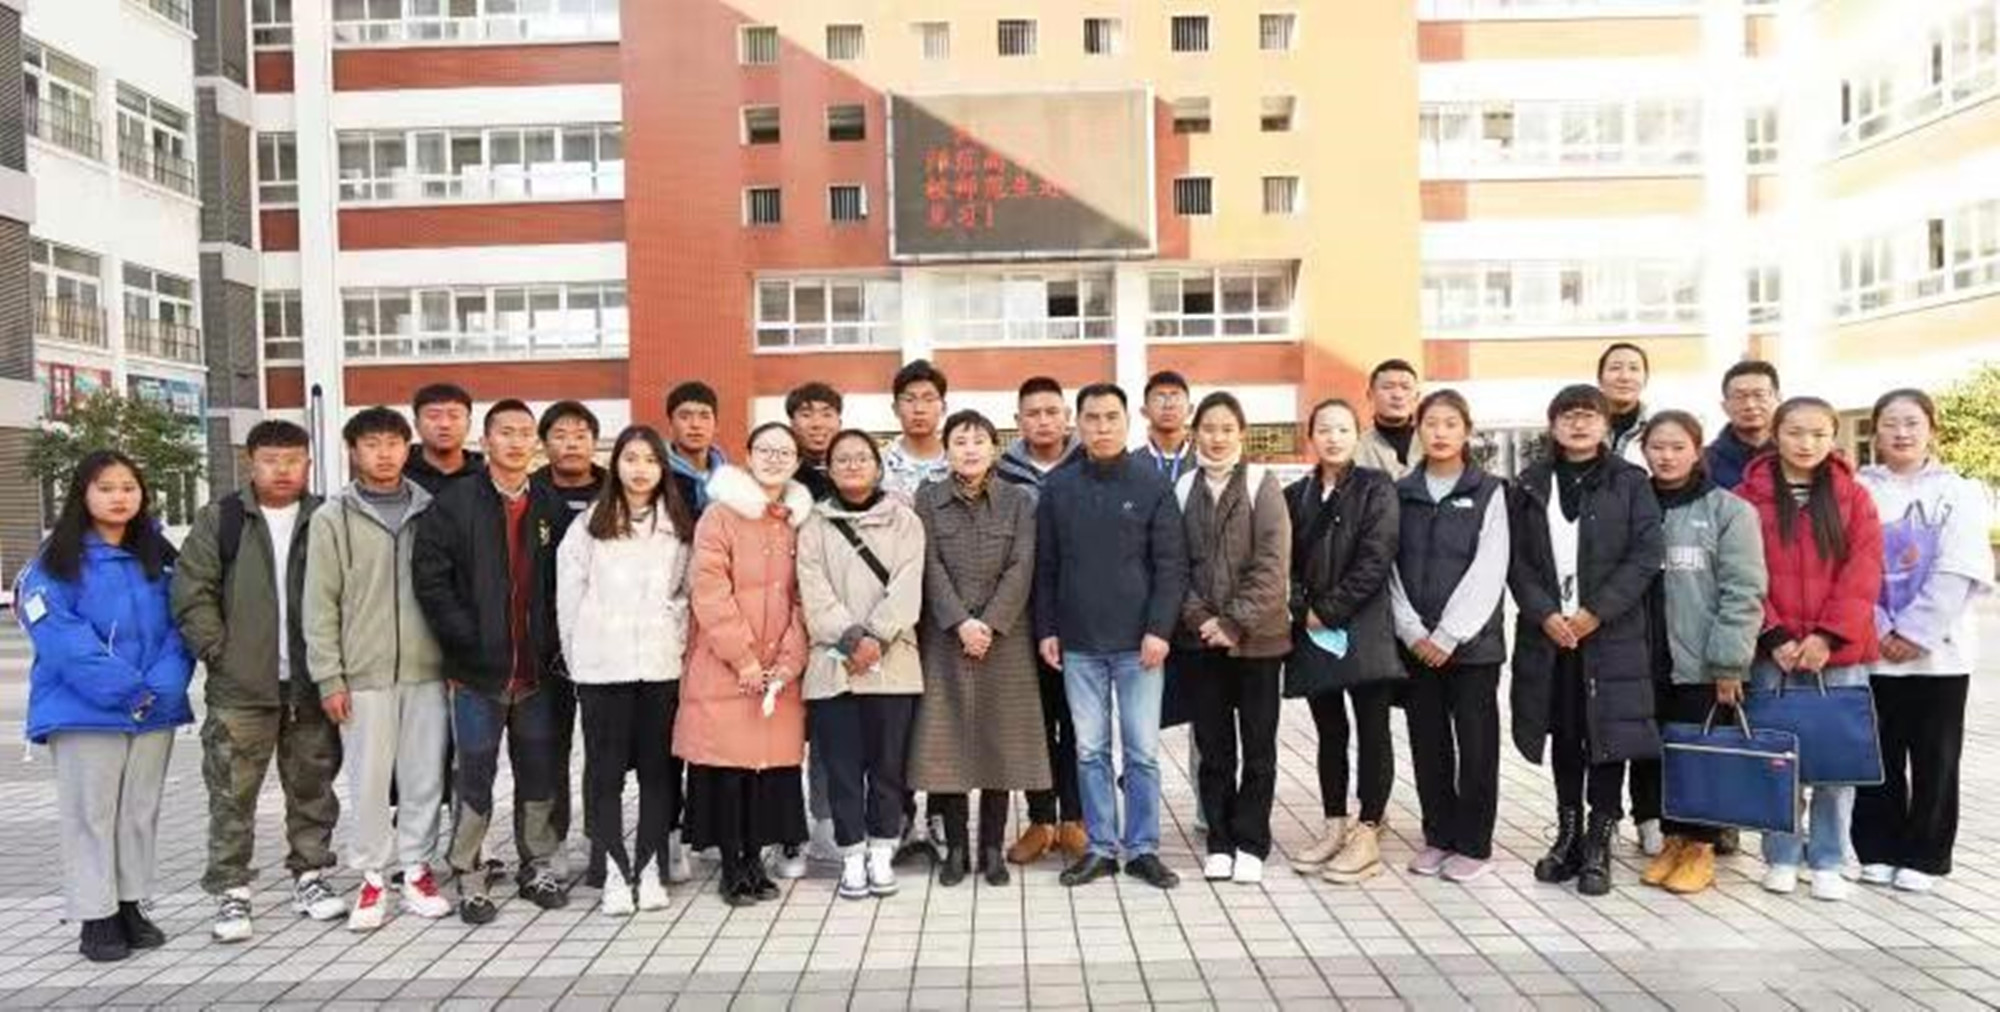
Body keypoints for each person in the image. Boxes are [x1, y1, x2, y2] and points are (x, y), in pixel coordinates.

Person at [172, 421, 343, 942]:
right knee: (232, 793)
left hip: (310, 684)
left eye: (293, 459)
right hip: (241, 688)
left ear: (308, 463)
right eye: (271, 460)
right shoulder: (221, 519)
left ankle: (310, 876)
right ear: (251, 462)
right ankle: (231, 891)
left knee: (313, 786)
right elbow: (192, 592)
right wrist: (218, 653)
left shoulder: (327, 517)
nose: (282, 469)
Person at [18, 450, 193, 962]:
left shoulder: (161, 557)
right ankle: (96, 914)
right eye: (106, 488)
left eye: (128, 487)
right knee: (90, 814)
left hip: (154, 709)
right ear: (83, 495)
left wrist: (163, 685)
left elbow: (183, 625)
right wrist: (125, 688)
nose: (119, 497)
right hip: (84, 711)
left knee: (138, 812)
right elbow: (60, 636)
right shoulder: (54, 563)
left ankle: (130, 904)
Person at [413, 399, 574, 923]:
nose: (516, 441)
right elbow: (431, 581)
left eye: (525, 432)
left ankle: (537, 863)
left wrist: (556, 645)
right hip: (476, 674)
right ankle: (469, 871)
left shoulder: (548, 504)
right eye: (506, 432)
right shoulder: (456, 503)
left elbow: (567, 582)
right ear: (485, 441)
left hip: (538, 673)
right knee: (474, 774)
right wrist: (467, 640)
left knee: (539, 771)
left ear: (535, 444)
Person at [1509, 385, 1665, 898]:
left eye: (1589, 416)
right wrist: (1544, 613)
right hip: (1550, 635)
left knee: (1607, 735)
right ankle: (1568, 835)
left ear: (1605, 424)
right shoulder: (1530, 483)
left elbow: (1646, 554)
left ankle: (1599, 840)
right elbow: (1516, 560)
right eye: (1568, 416)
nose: (1579, 424)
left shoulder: (1630, 482)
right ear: (1552, 425)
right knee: (1565, 732)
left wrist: (1596, 612)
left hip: (1610, 634)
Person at [303, 407, 453, 932]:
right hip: (363, 674)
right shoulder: (333, 517)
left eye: (392, 443)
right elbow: (319, 604)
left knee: (423, 776)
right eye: (372, 444)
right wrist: (330, 676)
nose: (384, 453)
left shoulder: (431, 509)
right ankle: (371, 876)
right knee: (367, 779)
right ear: (353, 451)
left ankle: (416, 871)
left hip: (427, 670)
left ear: (406, 449)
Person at [1036, 382, 1188, 890]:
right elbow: (1047, 566)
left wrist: (1160, 629)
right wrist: (1047, 628)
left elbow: (1171, 566)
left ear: (1128, 421)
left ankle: (1143, 848)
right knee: (1090, 751)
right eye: (1092, 418)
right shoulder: (1059, 487)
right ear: (1077, 423)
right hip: (1078, 644)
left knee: (1142, 751)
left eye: (1111, 418)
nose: (1102, 427)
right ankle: (1100, 847)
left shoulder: (1151, 484)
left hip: (1140, 645)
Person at [1736, 396, 1885, 901]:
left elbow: (1865, 571)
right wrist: (1774, 635)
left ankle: (1827, 858)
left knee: (1835, 760)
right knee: (1775, 758)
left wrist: (1827, 636)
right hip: (1771, 652)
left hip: (1838, 653)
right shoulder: (1745, 497)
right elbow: (1738, 574)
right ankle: (1781, 855)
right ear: (1775, 434)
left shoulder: (1855, 496)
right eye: (1795, 432)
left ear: (1833, 437)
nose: (1806, 443)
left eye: (1819, 434)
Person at [1855, 389, 1993, 893]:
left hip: (1941, 655)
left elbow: (1960, 566)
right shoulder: (1857, 490)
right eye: (1890, 423)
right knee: (1877, 754)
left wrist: (1915, 631)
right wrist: (1878, 627)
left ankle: (1926, 856)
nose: (1901, 433)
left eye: (1912, 422)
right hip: (1872, 651)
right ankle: (1876, 847)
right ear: (1875, 431)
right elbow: (1848, 565)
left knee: (1936, 757)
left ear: (1932, 429)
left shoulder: (1960, 492)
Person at [557, 424, 698, 916]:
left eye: (651, 460)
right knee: (606, 774)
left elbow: (686, 594)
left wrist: (671, 637)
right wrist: (580, 658)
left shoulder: (677, 527)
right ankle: (615, 871)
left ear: (664, 469)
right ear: (615, 464)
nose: (640, 469)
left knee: (659, 773)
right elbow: (568, 599)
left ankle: (650, 868)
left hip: (659, 667)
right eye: (631, 458)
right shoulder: (588, 526)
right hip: (602, 669)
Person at [909, 410, 1051, 888]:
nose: (969, 449)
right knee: (947, 746)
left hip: (1003, 640)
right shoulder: (927, 500)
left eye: (978, 441)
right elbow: (928, 566)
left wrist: (988, 623)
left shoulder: (1018, 501)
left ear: (994, 448)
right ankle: (956, 850)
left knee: (999, 743)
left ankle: (991, 849)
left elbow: (1022, 565)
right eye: (959, 441)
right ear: (946, 450)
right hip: (946, 639)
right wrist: (960, 622)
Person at [677, 423, 813, 906]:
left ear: (797, 462)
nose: (774, 459)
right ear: (748, 456)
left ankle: (756, 857)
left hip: (780, 669)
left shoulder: (800, 520)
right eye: (765, 450)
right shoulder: (720, 516)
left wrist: (789, 659)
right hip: (726, 663)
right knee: (728, 770)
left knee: (767, 770)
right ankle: (732, 864)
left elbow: (807, 595)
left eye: (785, 452)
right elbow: (709, 589)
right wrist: (743, 657)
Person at [1634, 411, 1766, 895]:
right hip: (1641, 658)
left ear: (1697, 451)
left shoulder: (1728, 511)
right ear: (1644, 451)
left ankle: (1701, 848)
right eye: (1657, 447)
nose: (1667, 457)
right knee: (1656, 756)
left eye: (1678, 447)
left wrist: (1729, 662)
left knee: (1702, 755)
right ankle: (1672, 840)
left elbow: (1743, 591)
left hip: (1701, 662)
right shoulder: (1634, 504)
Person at [797, 430, 928, 899]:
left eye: (861, 458)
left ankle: (882, 852)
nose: (852, 465)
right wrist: (853, 639)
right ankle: (852, 855)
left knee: (889, 768)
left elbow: (909, 584)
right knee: (842, 768)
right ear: (829, 469)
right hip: (834, 666)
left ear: (878, 466)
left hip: (893, 664)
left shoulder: (905, 521)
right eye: (842, 459)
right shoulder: (813, 524)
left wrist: (877, 636)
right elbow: (812, 590)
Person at [1390, 390, 1510, 883]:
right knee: (1428, 742)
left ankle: (1474, 844)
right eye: (1431, 423)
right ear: (1418, 429)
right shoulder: (1401, 492)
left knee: (1476, 746)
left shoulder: (1490, 491)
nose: (1440, 433)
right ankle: (1438, 835)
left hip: (1473, 647)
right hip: (1416, 645)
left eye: (1450, 423)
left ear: (1467, 431)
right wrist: (1412, 630)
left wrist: (1449, 634)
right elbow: (1388, 566)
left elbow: (1491, 567)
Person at [1175, 392, 1292, 886]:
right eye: (1208, 428)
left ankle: (1252, 841)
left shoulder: (1263, 483)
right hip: (1202, 642)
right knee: (1214, 748)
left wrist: (1233, 622)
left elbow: (1273, 563)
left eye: (1227, 428)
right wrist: (1202, 618)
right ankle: (1219, 842)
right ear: (1194, 433)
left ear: (1241, 434)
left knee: (1259, 748)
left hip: (1260, 641)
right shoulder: (1183, 487)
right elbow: (1174, 563)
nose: (1217, 437)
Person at [1283, 399, 1401, 885]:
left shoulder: (1377, 488)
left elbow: (1376, 559)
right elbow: (1283, 561)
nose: (1333, 438)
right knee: (1329, 731)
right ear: (1311, 436)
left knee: (1373, 729)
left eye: (1343, 429)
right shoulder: (1295, 495)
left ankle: (1369, 830)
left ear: (1357, 435)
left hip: (1363, 627)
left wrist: (1327, 611)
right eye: (1324, 429)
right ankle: (1334, 825)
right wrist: (1300, 610)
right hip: (1313, 632)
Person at [995, 377, 1086, 867]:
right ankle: (1040, 818)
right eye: (1033, 413)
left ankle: (1075, 818)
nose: (1044, 421)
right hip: (1022, 621)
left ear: (1067, 417)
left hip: (1080, 619)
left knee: (1077, 723)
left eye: (1053, 412)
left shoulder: (1089, 463)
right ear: (1018, 421)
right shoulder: (1000, 473)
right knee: (1034, 723)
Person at [529, 399, 609, 886]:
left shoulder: (616, 491)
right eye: (560, 435)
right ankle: (551, 840)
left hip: (604, 645)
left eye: (580, 435)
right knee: (549, 747)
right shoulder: (529, 494)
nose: (571, 444)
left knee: (602, 748)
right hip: (545, 647)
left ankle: (600, 837)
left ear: (595, 442)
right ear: (545, 444)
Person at [786, 381, 845, 869]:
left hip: (835, 620)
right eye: (806, 413)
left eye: (826, 412)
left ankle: (826, 823)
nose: (817, 422)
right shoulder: (781, 476)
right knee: (784, 731)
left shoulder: (851, 470)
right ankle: (786, 830)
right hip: (784, 620)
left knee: (829, 728)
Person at [1705, 360, 1781, 490]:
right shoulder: (1705, 463)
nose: (1750, 405)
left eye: (1759, 395)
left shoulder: (1797, 455)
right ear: (1725, 406)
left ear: (1778, 399)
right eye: (1739, 397)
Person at [882, 359, 952, 498]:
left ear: (943, 408)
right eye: (909, 400)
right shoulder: (879, 464)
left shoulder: (958, 462)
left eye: (929, 399)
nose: (919, 409)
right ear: (895, 408)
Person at [404, 383, 484, 494]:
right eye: (433, 416)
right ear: (417, 424)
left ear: (468, 425)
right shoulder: (399, 474)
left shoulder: (487, 476)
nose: (444, 424)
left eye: (454, 416)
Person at [1353, 359, 1421, 480]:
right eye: (1388, 387)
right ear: (1370, 395)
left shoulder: (1432, 441)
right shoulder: (1356, 447)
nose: (1398, 395)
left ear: (1417, 396)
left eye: (1405, 387)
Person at [667, 381, 727, 511]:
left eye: (704, 416)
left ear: (716, 424)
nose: (695, 424)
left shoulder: (730, 481)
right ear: (670, 424)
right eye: (685, 417)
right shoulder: (657, 477)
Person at [1596, 343, 1652, 466]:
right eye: (1615, 368)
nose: (1625, 377)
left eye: (1634, 368)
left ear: (1645, 379)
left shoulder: (1656, 428)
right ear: (1599, 378)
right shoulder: (1581, 427)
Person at [788, 382, 844, 502]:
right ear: (792, 424)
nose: (817, 424)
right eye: (806, 415)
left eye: (827, 415)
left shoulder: (855, 469)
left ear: (839, 423)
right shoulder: (782, 473)